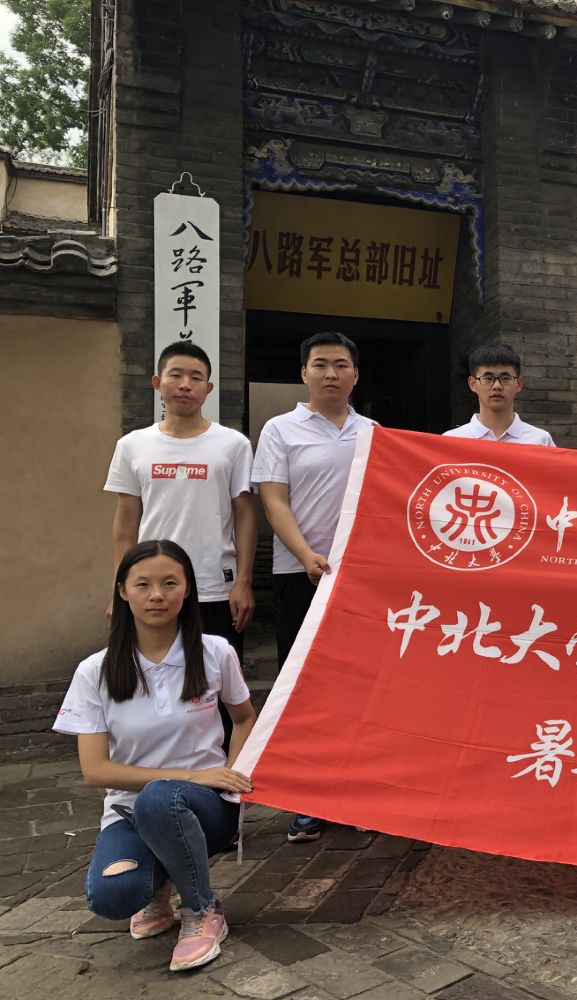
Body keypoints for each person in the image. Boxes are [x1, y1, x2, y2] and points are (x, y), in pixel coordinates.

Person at [53, 540, 256, 972]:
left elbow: (244, 719)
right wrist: (189, 774)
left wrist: (233, 777)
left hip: (206, 808)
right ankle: (162, 884)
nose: (157, 595)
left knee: (162, 798)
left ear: (188, 589)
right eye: (143, 584)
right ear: (123, 591)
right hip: (130, 810)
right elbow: (95, 771)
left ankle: (202, 910)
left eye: (170, 583)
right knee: (112, 896)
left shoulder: (216, 652)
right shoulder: (95, 671)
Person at [253, 331, 374, 843]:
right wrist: (306, 555)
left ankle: (353, 793)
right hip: (299, 574)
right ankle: (307, 799)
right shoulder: (280, 430)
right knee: (303, 687)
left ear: (355, 375)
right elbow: (273, 499)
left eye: (340, 365)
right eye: (320, 364)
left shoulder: (373, 433)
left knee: (358, 687)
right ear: (303, 373)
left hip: (360, 581)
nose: (330, 373)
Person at [105, 343, 257, 654]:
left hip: (215, 585)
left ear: (208, 388)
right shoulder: (132, 445)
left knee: (216, 675)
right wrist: (119, 588)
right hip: (152, 588)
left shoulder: (234, 445)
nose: (185, 385)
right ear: (157, 382)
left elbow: (246, 516)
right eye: (175, 375)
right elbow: (126, 523)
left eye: (196, 377)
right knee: (152, 674)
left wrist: (243, 581)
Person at [444, 343, 556, 446]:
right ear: (472, 384)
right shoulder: (452, 441)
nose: (497, 386)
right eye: (488, 378)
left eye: (505, 378)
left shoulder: (540, 441)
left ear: (519, 384)